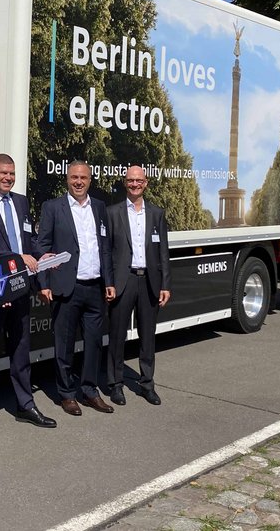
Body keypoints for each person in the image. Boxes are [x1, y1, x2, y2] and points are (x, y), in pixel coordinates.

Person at [0, 153, 57, 436]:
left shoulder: (21, 202)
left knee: (20, 350)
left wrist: (43, 258)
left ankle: (25, 405)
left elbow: (29, 240)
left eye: (12, 173)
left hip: (20, 288)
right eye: (3, 173)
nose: (8, 178)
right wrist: (17, 256)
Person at [37, 160, 115, 416]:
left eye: (83, 178)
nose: (78, 182)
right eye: (74, 178)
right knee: (65, 344)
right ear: (67, 179)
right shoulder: (53, 208)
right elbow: (42, 247)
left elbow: (105, 246)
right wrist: (44, 283)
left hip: (94, 287)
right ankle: (67, 394)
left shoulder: (100, 207)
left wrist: (109, 281)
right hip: (66, 288)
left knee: (93, 343)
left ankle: (90, 391)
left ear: (90, 180)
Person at [106, 165, 172, 407]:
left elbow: (163, 250)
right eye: (130, 180)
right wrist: (109, 281)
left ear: (146, 183)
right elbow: (107, 252)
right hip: (123, 281)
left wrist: (165, 283)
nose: (134, 184)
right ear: (125, 183)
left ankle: (147, 385)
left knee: (148, 337)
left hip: (149, 282)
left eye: (139, 181)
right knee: (117, 336)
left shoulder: (156, 213)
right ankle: (115, 385)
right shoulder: (112, 213)